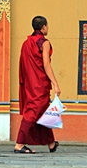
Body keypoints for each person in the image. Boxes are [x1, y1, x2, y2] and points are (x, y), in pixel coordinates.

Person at [14, 16, 61, 154]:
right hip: (39, 84)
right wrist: (55, 83)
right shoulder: (44, 43)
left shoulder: (26, 43)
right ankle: (19, 143)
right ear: (44, 27)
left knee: (43, 113)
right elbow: (46, 64)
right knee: (32, 113)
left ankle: (51, 143)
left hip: (30, 83)